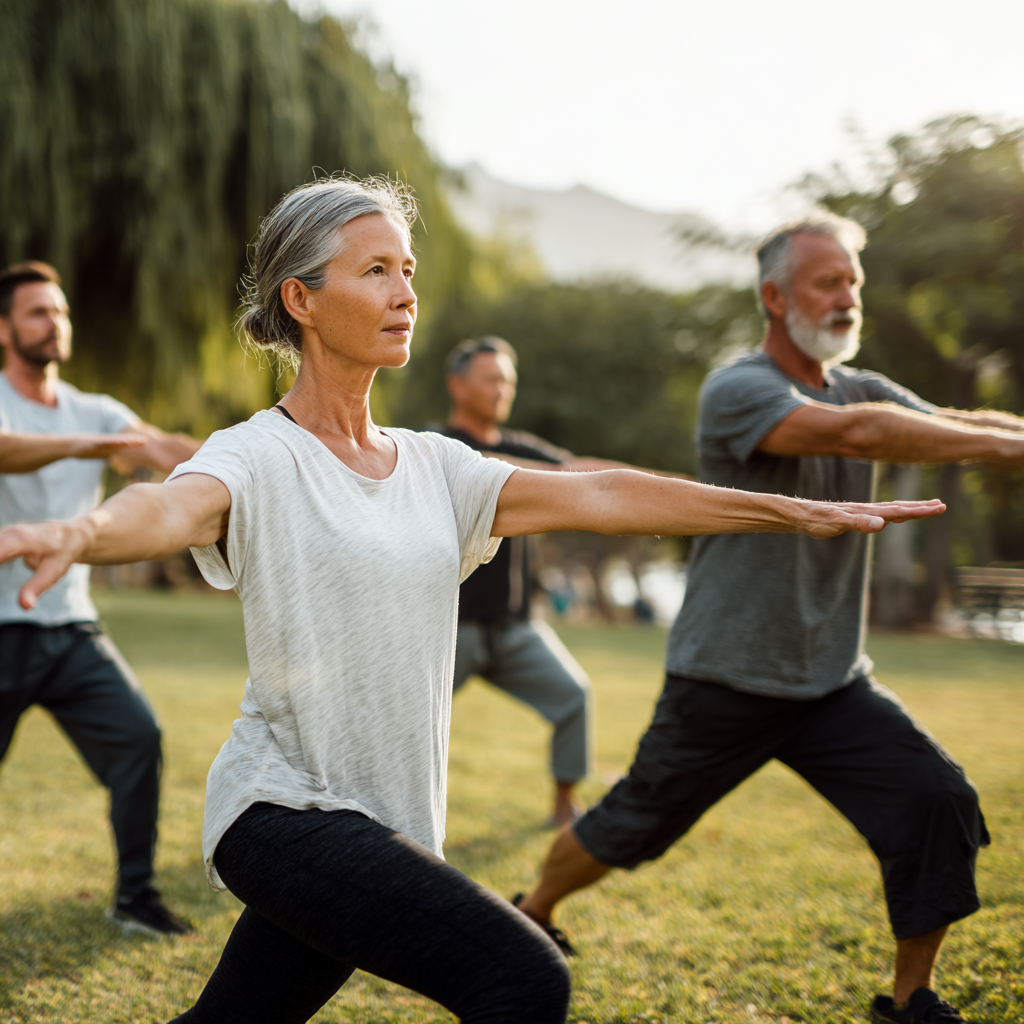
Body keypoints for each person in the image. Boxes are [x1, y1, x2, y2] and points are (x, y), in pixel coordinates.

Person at [0, 180, 941, 1024]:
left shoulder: (438, 469)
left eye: (408, 270)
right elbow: (169, 507)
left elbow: (605, 492)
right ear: (302, 299)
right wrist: (83, 533)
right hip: (283, 812)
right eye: (375, 271)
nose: (406, 293)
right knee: (524, 980)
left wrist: (789, 509)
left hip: (388, 822)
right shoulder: (258, 455)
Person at [515, 211, 1024, 1024]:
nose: (846, 298)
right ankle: (533, 907)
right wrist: (1003, 450)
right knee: (630, 828)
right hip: (726, 674)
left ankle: (911, 1000)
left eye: (853, 282)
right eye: (828, 282)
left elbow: (956, 426)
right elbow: (858, 435)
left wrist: (1011, 434)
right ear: (774, 297)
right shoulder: (740, 388)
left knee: (938, 799)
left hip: (830, 681)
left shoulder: (862, 385)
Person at [0, 261, 202, 936]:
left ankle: (135, 897)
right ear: (5, 329)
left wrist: (241, 460)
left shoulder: (96, 409)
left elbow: (157, 447)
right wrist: (85, 443)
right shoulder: (25, 408)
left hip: (70, 631)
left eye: (59, 312)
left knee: (140, 738)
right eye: (36, 313)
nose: (53, 323)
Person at [433, 335, 672, 826]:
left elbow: (576, 472)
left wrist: (662, 485)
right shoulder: (435, 447)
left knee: (572, 696)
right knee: (402, 718)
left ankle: (565, 808)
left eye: (509, 381)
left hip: (516, 625)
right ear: (457, 385)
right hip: (448, 626)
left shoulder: (521, 446)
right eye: (491, 379)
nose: (503, 389)